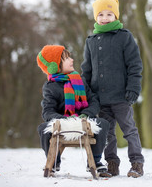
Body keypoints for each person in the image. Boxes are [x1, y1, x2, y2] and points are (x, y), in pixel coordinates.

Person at [81, 0, 144, 178]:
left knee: (129, 130)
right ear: (96, 17)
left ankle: (136, 163)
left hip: (121, 96)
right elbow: (86, 70)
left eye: (109, 14)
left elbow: (134, 65)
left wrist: (133, 89)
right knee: (107, 133)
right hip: (100, 98)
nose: (105, 18)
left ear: (116, 16)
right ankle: (112, 164)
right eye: (101, 14)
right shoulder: (91, 41)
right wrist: (86, 94)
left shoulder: (124, 37)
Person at [36, 45, 110, 177]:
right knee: (43, 129)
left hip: (83, 120)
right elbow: (47, 111)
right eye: (66, 58)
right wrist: (62, 119)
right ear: (55, 65)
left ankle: (96, 160)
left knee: (103, 123)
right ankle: (54, 160)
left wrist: (86, 114)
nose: (71, 60)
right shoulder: (50, 87)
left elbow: (93, 100)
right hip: (61, 122)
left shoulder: (80, 81)